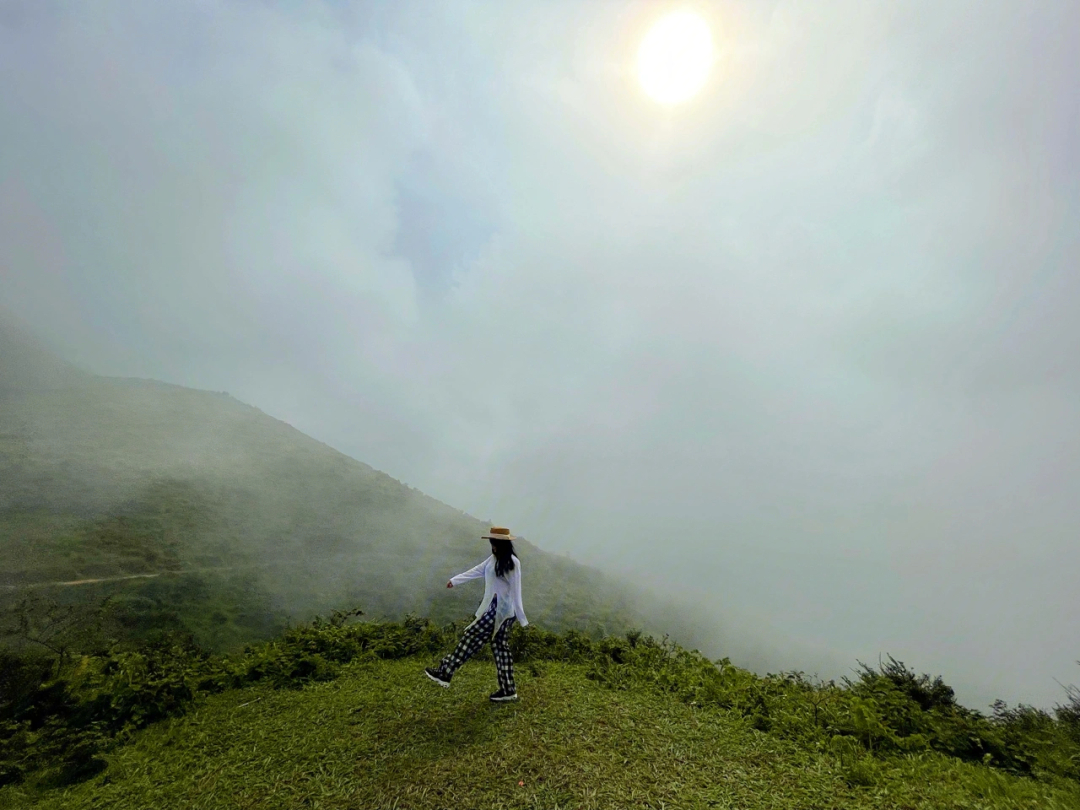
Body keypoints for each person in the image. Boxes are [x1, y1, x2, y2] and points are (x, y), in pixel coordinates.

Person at [425, 527, 529, 702]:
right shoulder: (492, 559)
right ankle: (508, 689)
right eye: (491, 542)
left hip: (502, 611)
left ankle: (445, 672)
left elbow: (516, 590)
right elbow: (477, 570)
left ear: (503, 543)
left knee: (471, 636)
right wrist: (455, 580)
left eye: (495, 543)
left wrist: (521, 617)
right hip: (493, 608)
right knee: (500, 648)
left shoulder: (512, 562)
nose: (493, 546)